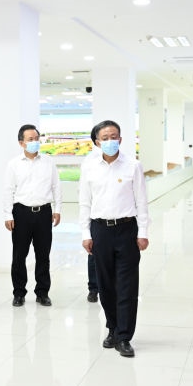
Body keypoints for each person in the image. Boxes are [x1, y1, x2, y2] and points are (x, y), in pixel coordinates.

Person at [79, 119, 149, 357]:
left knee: (127, 285)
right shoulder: (89, 167)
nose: (110, 141)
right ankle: (112, 328)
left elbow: (142, 201)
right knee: (106, 285)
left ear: (120, 139)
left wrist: (143, 232)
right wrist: (85, 234)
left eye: (114, 137)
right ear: (97, 142)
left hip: (127, 230)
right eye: (105, 138)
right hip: (100, 230)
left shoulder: (133, 166)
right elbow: (84, 202)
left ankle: (124, 336)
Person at [1, 124, 62, 307]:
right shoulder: (14, 164)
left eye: (36, 138)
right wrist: (8, 214)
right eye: (30, 139)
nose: (35, 142)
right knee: (19, 255)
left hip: (44, 213)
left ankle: (42, 292)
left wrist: (57, 209)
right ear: (21, 143)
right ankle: (19, 293)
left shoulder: (48, 162)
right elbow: (8, 190)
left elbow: (56, 187)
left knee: (43, 255)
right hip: (21, 213)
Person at [85, 126, 101, 303]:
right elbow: (84, 194)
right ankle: (94, 288)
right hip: (95, 217)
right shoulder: (89, 162)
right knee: (93, 254)